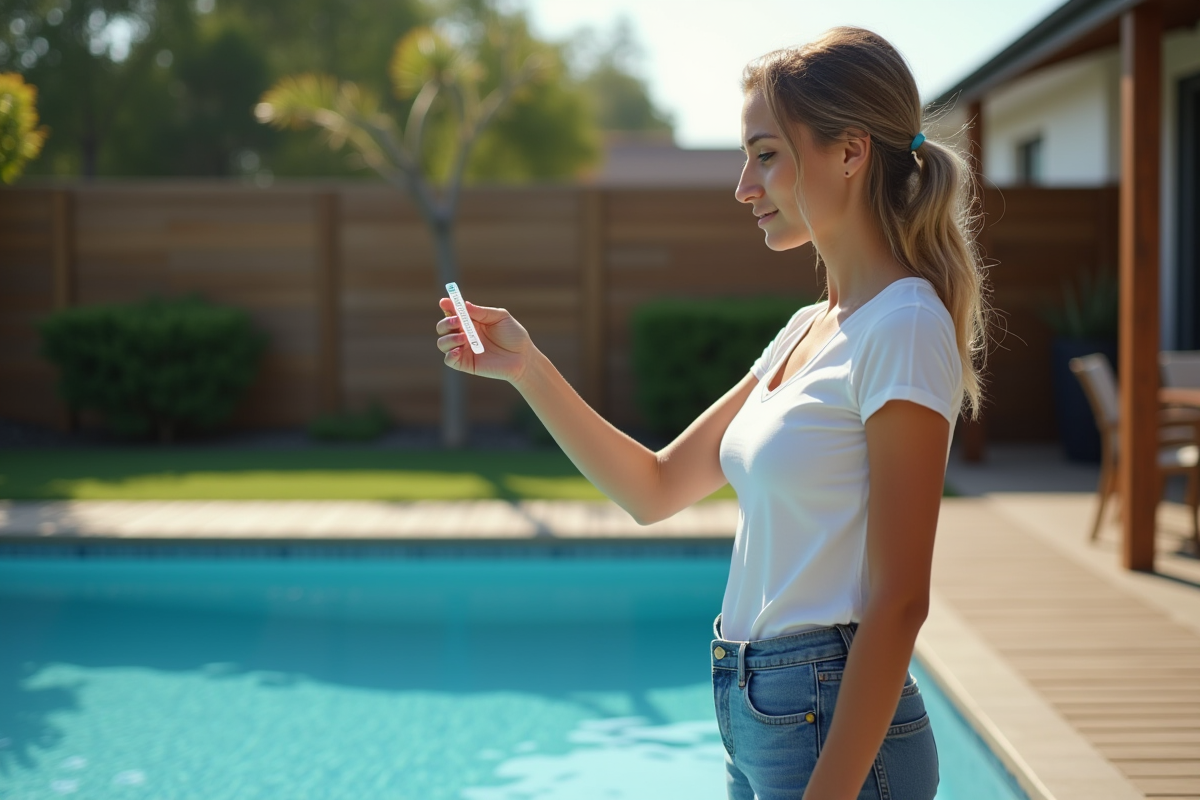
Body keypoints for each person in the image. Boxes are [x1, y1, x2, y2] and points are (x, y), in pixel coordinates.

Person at [434, 25, 987, 800]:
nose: (743, 186)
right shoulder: (808, 327)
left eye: (766, 154)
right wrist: (527, 368)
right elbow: (654, 488)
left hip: (831, 727)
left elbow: (899, 604)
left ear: (851, 152)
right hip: (760, 710)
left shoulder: (904, 327)